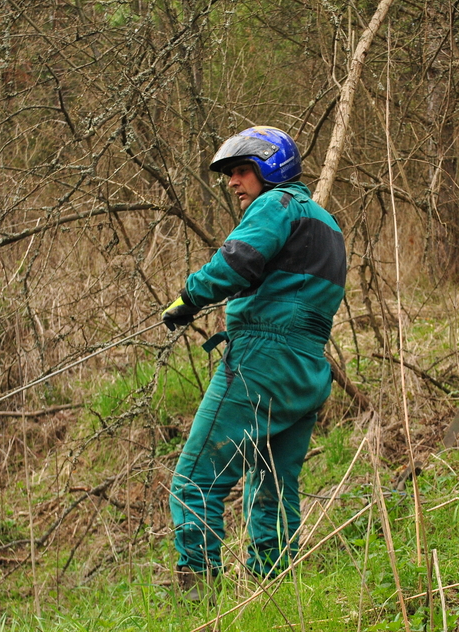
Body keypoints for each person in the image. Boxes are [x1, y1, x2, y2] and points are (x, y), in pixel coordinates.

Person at [161, 126, 346, 600]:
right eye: (230, 174)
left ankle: (196, 598)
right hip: (308, 369)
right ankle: (274, 588)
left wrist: (189, 297)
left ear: (271, 168)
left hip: (262, 360)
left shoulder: (275, 204)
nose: (232, 182)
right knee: (273, 482)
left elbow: (238, 260)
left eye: (242, 171)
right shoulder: (329, 224)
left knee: (194, 477)